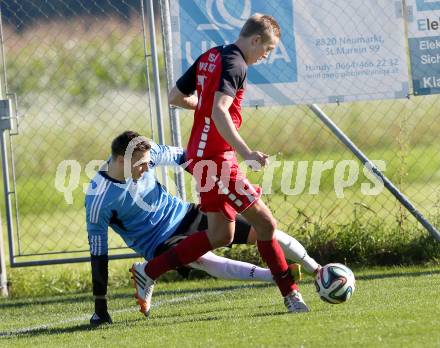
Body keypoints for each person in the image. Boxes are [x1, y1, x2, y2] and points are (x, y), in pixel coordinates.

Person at [86, 131, 320, 325]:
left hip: (187, 214)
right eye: (142, 165)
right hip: (158, 243)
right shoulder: (99, 198)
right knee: (204, 259)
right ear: (120, 160)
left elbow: (185, 156)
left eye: (149, 163)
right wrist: (100, 309)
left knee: (262, 229)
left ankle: (318, 271)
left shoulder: (146, 153)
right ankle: (275, 277)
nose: (148, 169)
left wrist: (207, 182)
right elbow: (98, 254)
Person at [168, 14, 308, 312]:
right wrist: (247, 152)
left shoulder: (212, 54)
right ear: (255, 40)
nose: (265, 56)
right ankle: (291, 294)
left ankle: (148, 271)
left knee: (221, 235)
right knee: (266, 223)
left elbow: (175, 97)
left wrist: (201, 105)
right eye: (267, 50)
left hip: (203, 153)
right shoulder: (237, 63)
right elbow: (219, 112)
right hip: (215, 159)